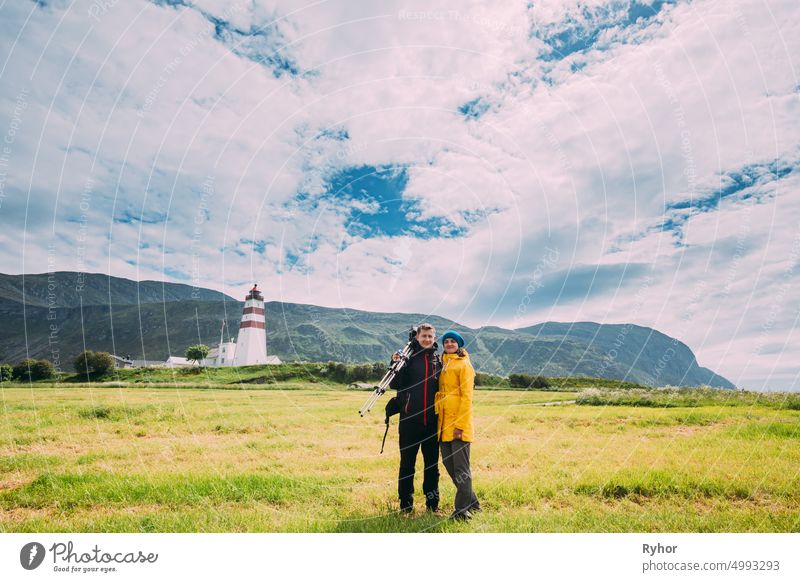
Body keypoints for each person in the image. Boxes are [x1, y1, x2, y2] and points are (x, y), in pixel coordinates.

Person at [390, 323, 442, 513]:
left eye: (430, 336)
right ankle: (406, 506)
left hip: (432, 424)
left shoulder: (438, 360)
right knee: (407, 466)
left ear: (434, 338)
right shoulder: (407, 358)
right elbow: (395, 383)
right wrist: (395, 363)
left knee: (432, 467)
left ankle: (432, 505)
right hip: (409, 422)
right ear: (417, 338)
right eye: (424, 336)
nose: (427, 339)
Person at [435, 330, 480, 520]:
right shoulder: (443, 363)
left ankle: (462, 511)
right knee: (449, 465)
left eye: (453, 341)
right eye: (446, 341)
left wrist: (460, 426)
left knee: (461, 469)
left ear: (459, 345)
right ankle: (473, 503)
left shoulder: (464, 366)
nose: (449, 344)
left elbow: (467, 398)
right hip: (443, 423)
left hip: (458, 425)